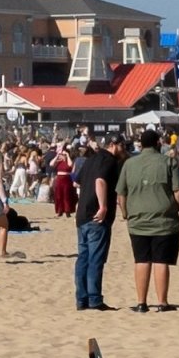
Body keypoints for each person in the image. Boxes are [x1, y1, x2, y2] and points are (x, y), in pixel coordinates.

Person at [116, 128, 179, 313]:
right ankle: (162, 302)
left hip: (137, 219)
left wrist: (125, 212)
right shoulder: (168, 162)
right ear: (158, 143)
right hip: (164, 219)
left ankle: (141, 302)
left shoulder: (129, 164)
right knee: (161, 261)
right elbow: (178, 191)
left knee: (141, 260)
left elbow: (121, 193)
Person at [73, 133, 129, 312]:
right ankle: (95, 299)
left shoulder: (90, 159)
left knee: (83, 257)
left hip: (82, 214)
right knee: (95, 258)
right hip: (96, 216)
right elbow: (100, 181)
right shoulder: (109, 160)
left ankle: (82, 299)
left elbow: (78, 182)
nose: (124, 150)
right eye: (123, 146)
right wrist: (103, 206)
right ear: (115, 144)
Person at [52, 143, 76, 218]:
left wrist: (67, 156)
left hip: (67, 179)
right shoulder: (58, 161)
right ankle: (59, 211)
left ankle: (67, 211)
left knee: (67, 195)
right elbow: (51, 164)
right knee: (58, 195)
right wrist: (57, 156)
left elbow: (70, 165)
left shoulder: (69, 159)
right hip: (59, 178)